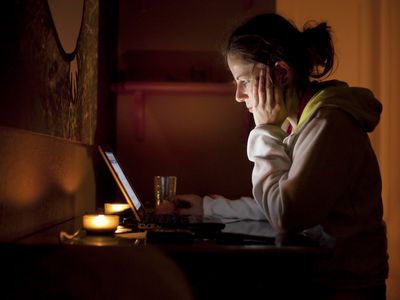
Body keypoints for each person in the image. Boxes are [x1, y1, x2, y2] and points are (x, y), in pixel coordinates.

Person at [157, 13, 388, 299]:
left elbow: (286, 214)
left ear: (280, 73)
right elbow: (276, 202)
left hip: (345, 286)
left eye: (243, 81)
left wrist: (265, 131)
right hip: (324, 275)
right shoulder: (300, 121)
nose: (239, 96)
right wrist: (206, 207)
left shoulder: (329, 124)